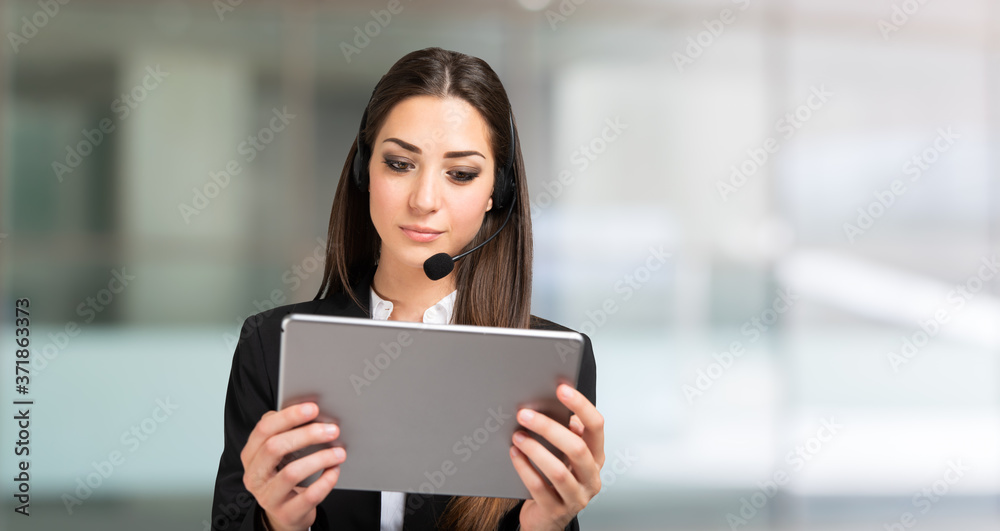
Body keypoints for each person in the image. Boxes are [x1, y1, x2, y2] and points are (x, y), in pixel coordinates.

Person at [211, 47, 604, 531]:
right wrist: (278, 525)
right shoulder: (271, 345)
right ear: (364, 172)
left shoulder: (549, 364)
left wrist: (546, 525)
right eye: (399, 164)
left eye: (460, 174)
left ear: (494, 195)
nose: (424, 200)